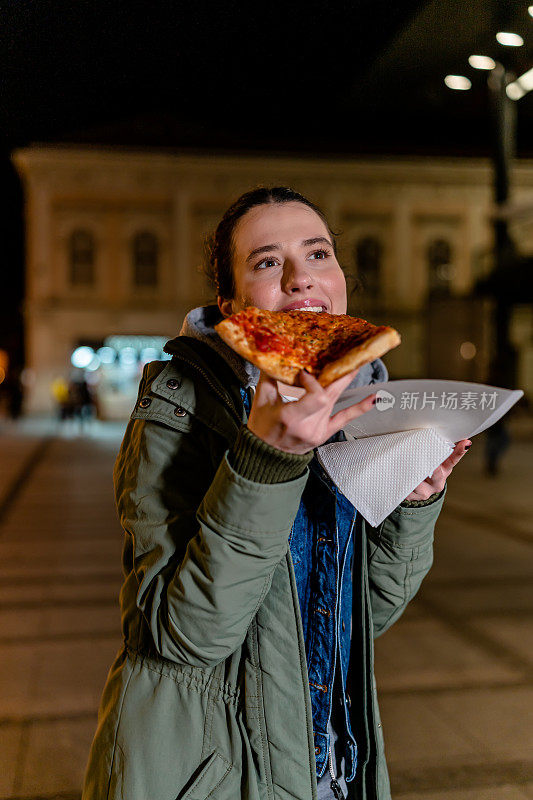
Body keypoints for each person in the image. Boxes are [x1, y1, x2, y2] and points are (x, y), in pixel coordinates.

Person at [82, 187, 470, 800]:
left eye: (317, 253)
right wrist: (268, 460)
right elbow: (186, 635)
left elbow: (361, 615)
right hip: (215, 772)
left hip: (335, 769)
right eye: (267, 262)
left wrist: (412, 506)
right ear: (230, 301)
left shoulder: (357, 407)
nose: (299, 278)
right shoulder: (179, 407)